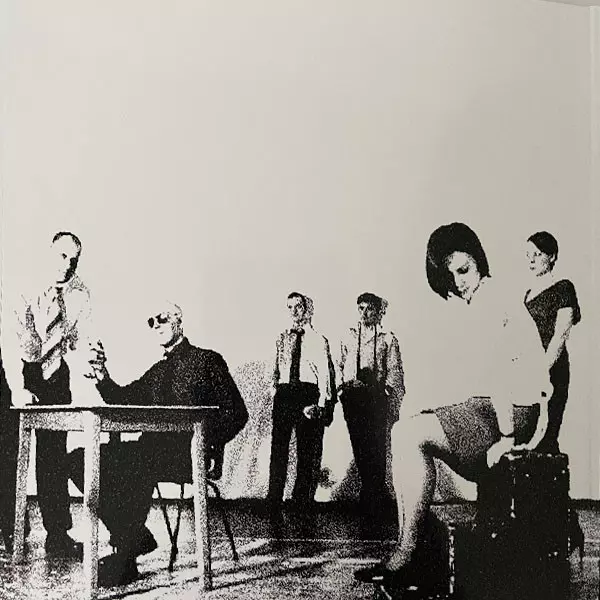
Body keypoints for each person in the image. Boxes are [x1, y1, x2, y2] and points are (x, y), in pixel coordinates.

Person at [354, 222, 551, 586]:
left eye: (464, 270)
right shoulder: (489, 297)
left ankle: (406, 553)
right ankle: (407, 548)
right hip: (502, 408)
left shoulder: (490, 299)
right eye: (451, 275)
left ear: (479, 260)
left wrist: (509, 438)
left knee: (408, 434)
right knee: (409, 428)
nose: (459, 282)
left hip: (512, 415)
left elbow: (501, 376)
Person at [72, 301, 248, 587]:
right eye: (151, 322)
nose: (156, 325)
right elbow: (124, 399)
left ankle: (125, 556)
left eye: (162, 319)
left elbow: (237, 413)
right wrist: (103, 376)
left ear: (179, 321)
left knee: (139, 464)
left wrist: (208, 444)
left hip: (186, 455)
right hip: (150, 451)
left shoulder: (207, 360)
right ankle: (133, 537)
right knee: (80, 459)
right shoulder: (158, 371)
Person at [6, 231, 93, 559]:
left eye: (74, 260)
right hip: (21, 370)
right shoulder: (23, 287)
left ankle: (58, 536)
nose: (68, 265)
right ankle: (11, 529)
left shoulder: (81, 294)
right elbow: (10, 341)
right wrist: (17, 388)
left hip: (57, 377)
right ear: (48, 254)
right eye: (62, 256)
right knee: (10, 451)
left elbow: (78, 340)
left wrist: (90, 357)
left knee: (53, 457)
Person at [524, 231, 583, 554]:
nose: (531, 259)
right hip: (527, 376)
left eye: (537, 253)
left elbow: (561, 335)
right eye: (528, 255)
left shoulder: (564, 288)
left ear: (552, 256)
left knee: (547, 443)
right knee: (531, 447)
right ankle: (546, 524)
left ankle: (563, 525)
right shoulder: (526, 294)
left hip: (552, 373)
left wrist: (541, 371)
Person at [337, 292, 405, 538]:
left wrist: (385, 392)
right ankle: (369, 495)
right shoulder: (348, 336)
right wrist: (342, 390)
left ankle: (376, 498)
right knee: (359, 447)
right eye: (361, 308)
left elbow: (395, 370)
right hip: (353, 398)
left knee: (377, 447)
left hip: (375, 398)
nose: (365, 313)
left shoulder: (388, 338)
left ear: (378, 312)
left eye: (369, 309)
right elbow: (340, 364)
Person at [267, 292, 333, 534]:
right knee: (278, 450)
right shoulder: (281, 338)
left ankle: (301, 502)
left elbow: (324, 375)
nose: (294, 311)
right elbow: (273, 369)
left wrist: (321, 404)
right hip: (285, 394)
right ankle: (273, 500)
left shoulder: (318, 340)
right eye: (290, 307)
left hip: (307, 393)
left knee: (306, 451)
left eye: (298, 306)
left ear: (307, 310)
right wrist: (275, 391)